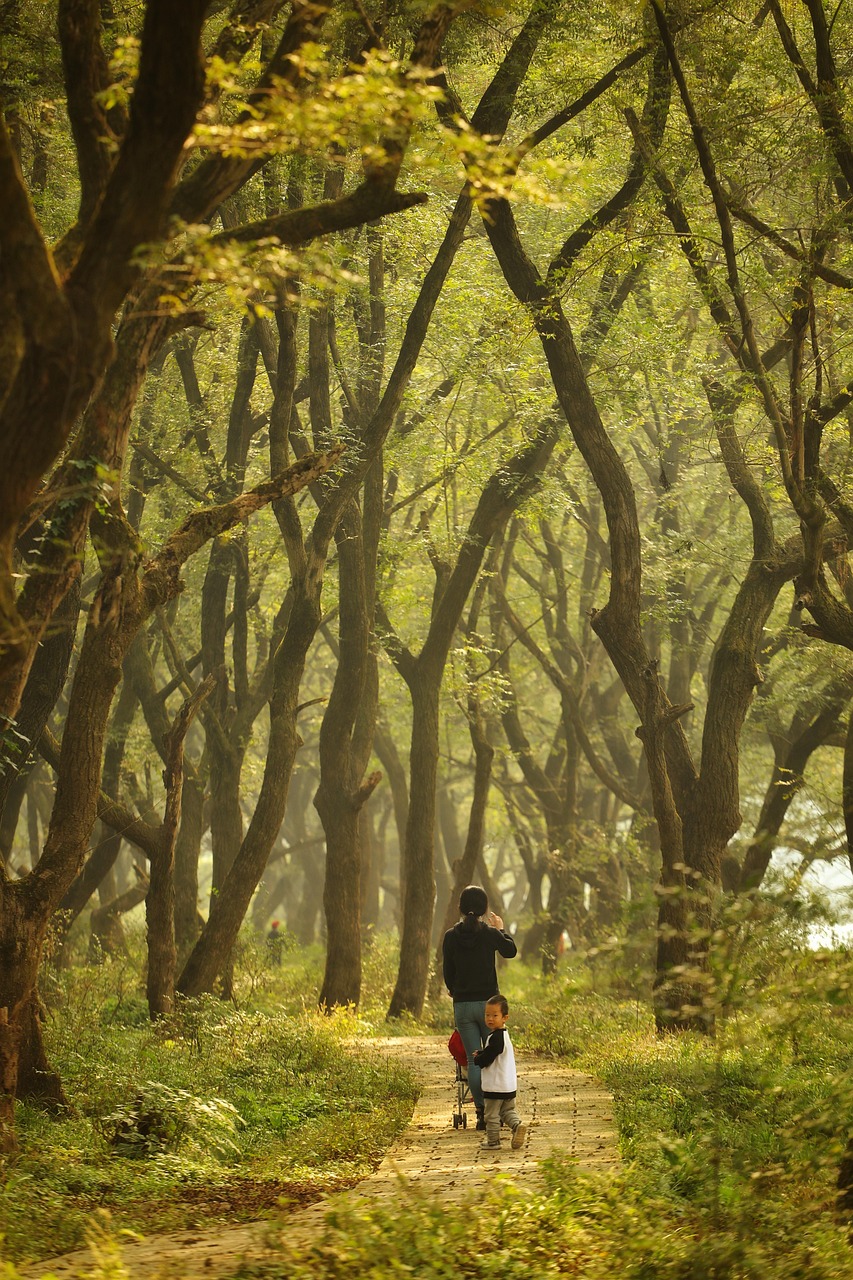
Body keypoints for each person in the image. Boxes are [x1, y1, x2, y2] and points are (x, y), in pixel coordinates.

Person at [442, 884, 517, 1130]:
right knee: (493, 1058)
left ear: (460, 908)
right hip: (489, 1007)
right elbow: (510, 951)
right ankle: (501, 1112)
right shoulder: (489, 933)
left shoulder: (451, 936)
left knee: (475, 1061)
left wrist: (456, 991)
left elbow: (448, 973)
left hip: (463, 1006)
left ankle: (482, 1113)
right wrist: (501, 929)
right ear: (485, 909)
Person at [473, 993, 527, 1151]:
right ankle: (517, 1126)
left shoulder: (496, 1037)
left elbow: (490, 1055)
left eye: (495, 1015)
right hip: (508, 1085)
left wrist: (479, 1059)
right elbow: (493, 1052)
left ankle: (493, 1141)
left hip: (495, 1085)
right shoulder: (503, 1035)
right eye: (487, 1015)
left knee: (491, 1115)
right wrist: (482, 1053)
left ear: (505, 1017)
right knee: (507, 1111)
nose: (490, 1018)